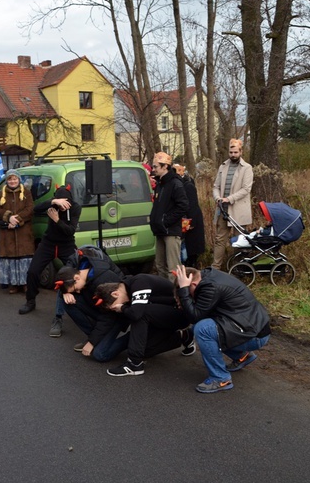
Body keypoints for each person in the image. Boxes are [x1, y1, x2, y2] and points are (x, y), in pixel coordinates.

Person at [175, 265, 271, 393]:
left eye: (188, 291)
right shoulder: (207, 278)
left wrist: (183, 291)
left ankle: (220, 378)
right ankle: (242, 356)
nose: (189, 296)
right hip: (250, 326)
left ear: (192, 284)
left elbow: (195, 317)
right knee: (207, 326)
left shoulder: (210, 287)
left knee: (202, 329)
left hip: (254, 335)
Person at [94, 274, 195, 377]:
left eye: (115, 306)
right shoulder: (129, 290)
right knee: (144, 350)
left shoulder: (139, 282)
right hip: (161, 319)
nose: (117, 309)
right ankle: (183, 336)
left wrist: (123, 308)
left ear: (115, 294)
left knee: (140, 314)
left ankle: (134, 364)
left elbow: (136, 314)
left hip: (179, 314)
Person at [52, 247, 126, 359]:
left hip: (115, 317)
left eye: (75, 289)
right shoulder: (82, 273)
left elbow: (108, 317)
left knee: (100, 355)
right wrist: (66, 293)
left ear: (76, 277)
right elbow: (67, 278)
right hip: (103, 313)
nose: (78, 292)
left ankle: (129, 339)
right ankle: (97, 337)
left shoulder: (104, 280)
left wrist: (92, 342)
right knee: (67, 301)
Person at [19, 185, 81, 317]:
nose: (63, 205)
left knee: (78, 271)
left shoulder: (75, 207)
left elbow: (70, 231)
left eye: (66, 201)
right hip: (48, 243)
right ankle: (30, 300)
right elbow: (35, 209)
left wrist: (57, 220)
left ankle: (80, 301)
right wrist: (53, 202)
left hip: (66, 244)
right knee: (33, 271)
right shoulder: (52, 204)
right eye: (60, 201)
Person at [212, 138, 254, 270]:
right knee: (220, 240)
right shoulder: (223, 166)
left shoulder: (247, 168)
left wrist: (229, 198)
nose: (233, 155)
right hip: (222, 210)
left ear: (241, 152)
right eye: (231, 152)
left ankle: (238, 269)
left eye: (235, 152)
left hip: (239, 210)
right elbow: (216, 186)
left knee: (239, 241)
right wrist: (218, 197)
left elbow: (246, 189)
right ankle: (215, 268)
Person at [0, 169, 34, 294]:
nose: (12, 181)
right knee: (10, 259)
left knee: (24, 258)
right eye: (10, 179)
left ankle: (26, 283)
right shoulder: (1, 194)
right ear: (7, 181)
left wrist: (17, 219)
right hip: (8, 232)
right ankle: (14, 284)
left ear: (18, 179)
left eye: (14, 178)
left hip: (24, 231)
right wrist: (8, 217)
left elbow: (30, 208)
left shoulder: (26, 192)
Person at [150, 152, 188, 279]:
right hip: (159, 230)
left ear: (165, 166)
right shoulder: (160, 184)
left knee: (173, 268)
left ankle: (177, 295)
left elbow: (183, 206)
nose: (153, 169)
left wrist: (165, 221)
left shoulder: (175, 183)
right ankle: (165, 293)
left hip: (170, 231)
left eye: (155, 167)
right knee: (160, 265)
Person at [173, 164, 206, 267]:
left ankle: (191, 267)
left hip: (191, 221)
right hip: (186, 220)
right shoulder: (181, 184)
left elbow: (192, 205)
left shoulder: (188, 185)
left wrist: (191, 222)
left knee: (191, 248)